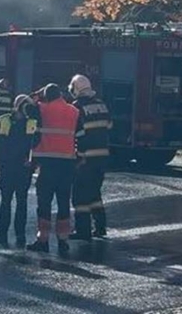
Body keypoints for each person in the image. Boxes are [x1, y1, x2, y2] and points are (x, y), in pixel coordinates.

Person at [26, 84, 80, 254]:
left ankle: (43, 239)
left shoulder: (42, 108)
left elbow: (26, 106)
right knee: (64, 203)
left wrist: (36, 94)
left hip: (47, 164)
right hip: (67, 164)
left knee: (44, 203)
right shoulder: (74, 111)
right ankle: (63, 240)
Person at [0, 94, 41, 248]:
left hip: (22, 167)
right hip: (9, 166)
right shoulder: (5, 120)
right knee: (6, 202)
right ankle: (2, 233)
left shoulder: (31, 121)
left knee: (21, 202)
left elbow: (37, 141)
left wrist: (32, 162)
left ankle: (20, 234)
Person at [68, 74, 112, 240]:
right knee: (94, 193)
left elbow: (79, 135)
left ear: (76, 89)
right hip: (102, 156)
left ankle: (83, 230)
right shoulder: (102, 105)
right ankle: (100, 227)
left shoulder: (77, 107)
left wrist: (79, 158)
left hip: (86, 158)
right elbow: (109, 125)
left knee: (79, 196)